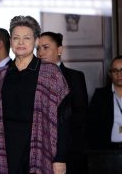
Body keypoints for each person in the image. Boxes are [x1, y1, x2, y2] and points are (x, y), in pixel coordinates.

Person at [0, 16, 70, 174]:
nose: (21, 43)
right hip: (4, 149)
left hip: (40, 148)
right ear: (11, 42)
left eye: (26, 38)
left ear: (36, 41)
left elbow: (64, 118)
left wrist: (60, 158)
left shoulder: (51, 73)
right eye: (16, 38)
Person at [37, 31, 88, 174]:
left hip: (70, 150)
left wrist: (55, 124)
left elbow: (82, 114)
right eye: (38, 48)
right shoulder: (32, 77)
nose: (41, 53)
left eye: (45, 47)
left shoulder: (75, 77)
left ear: (59, 50)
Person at [87, 56, 122, 150]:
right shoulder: (100, 95)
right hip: (108, 151)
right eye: (115, 71)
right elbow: (92, 126)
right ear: (110, 74)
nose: (119, 74)